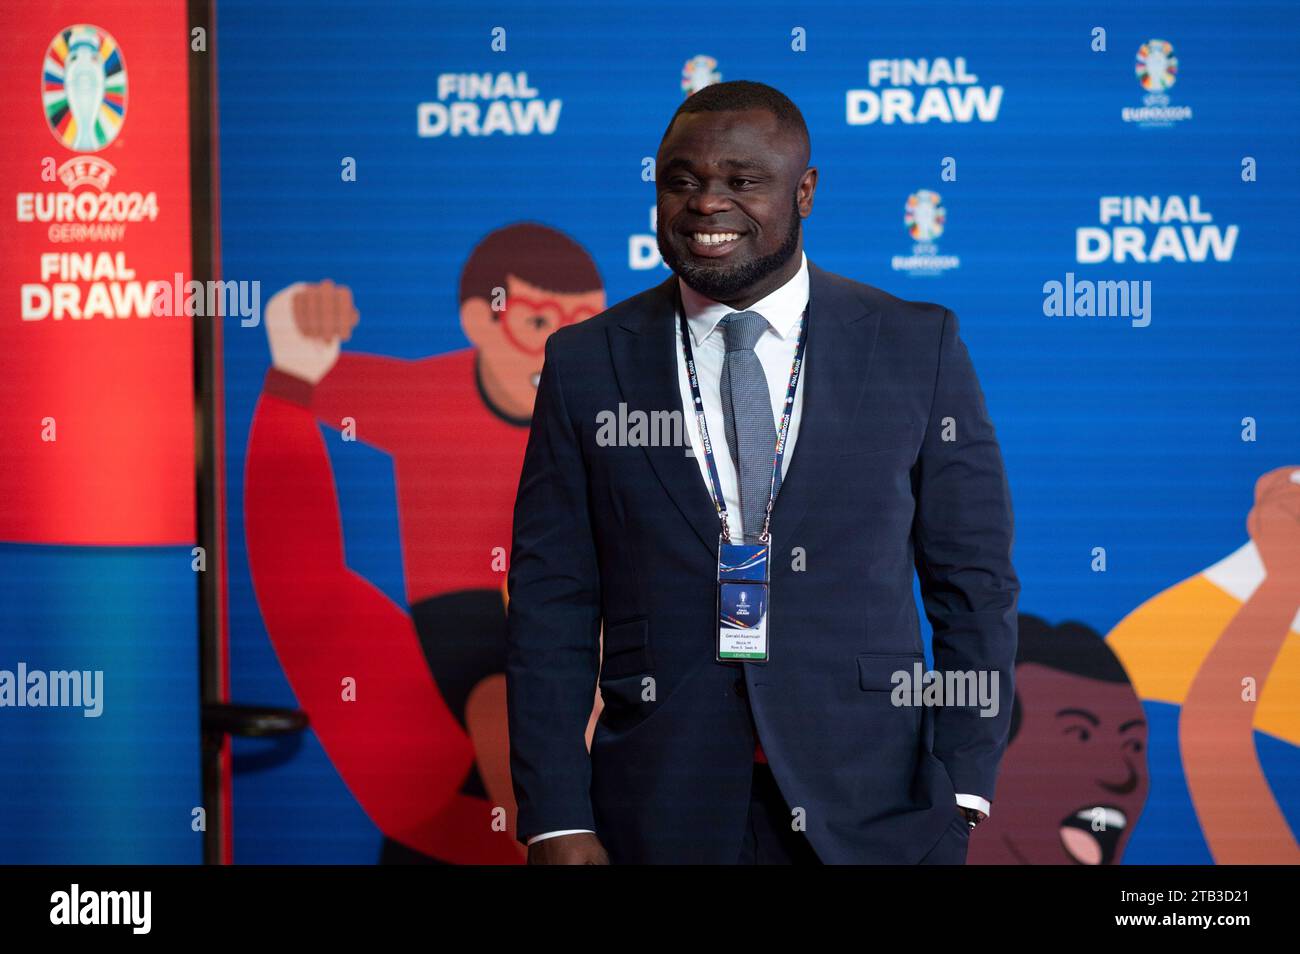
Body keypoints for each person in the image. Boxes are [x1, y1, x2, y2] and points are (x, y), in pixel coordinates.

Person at [506, 80, 1019, 864]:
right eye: (681, 180)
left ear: (804, 191)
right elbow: (551, 601)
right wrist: (554, 816)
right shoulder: (586, 361)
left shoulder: (917, 346)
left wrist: (966, 787)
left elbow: (973, 581)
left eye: (742, 181)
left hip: (878, 810)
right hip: (659, 808)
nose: (707, 204)